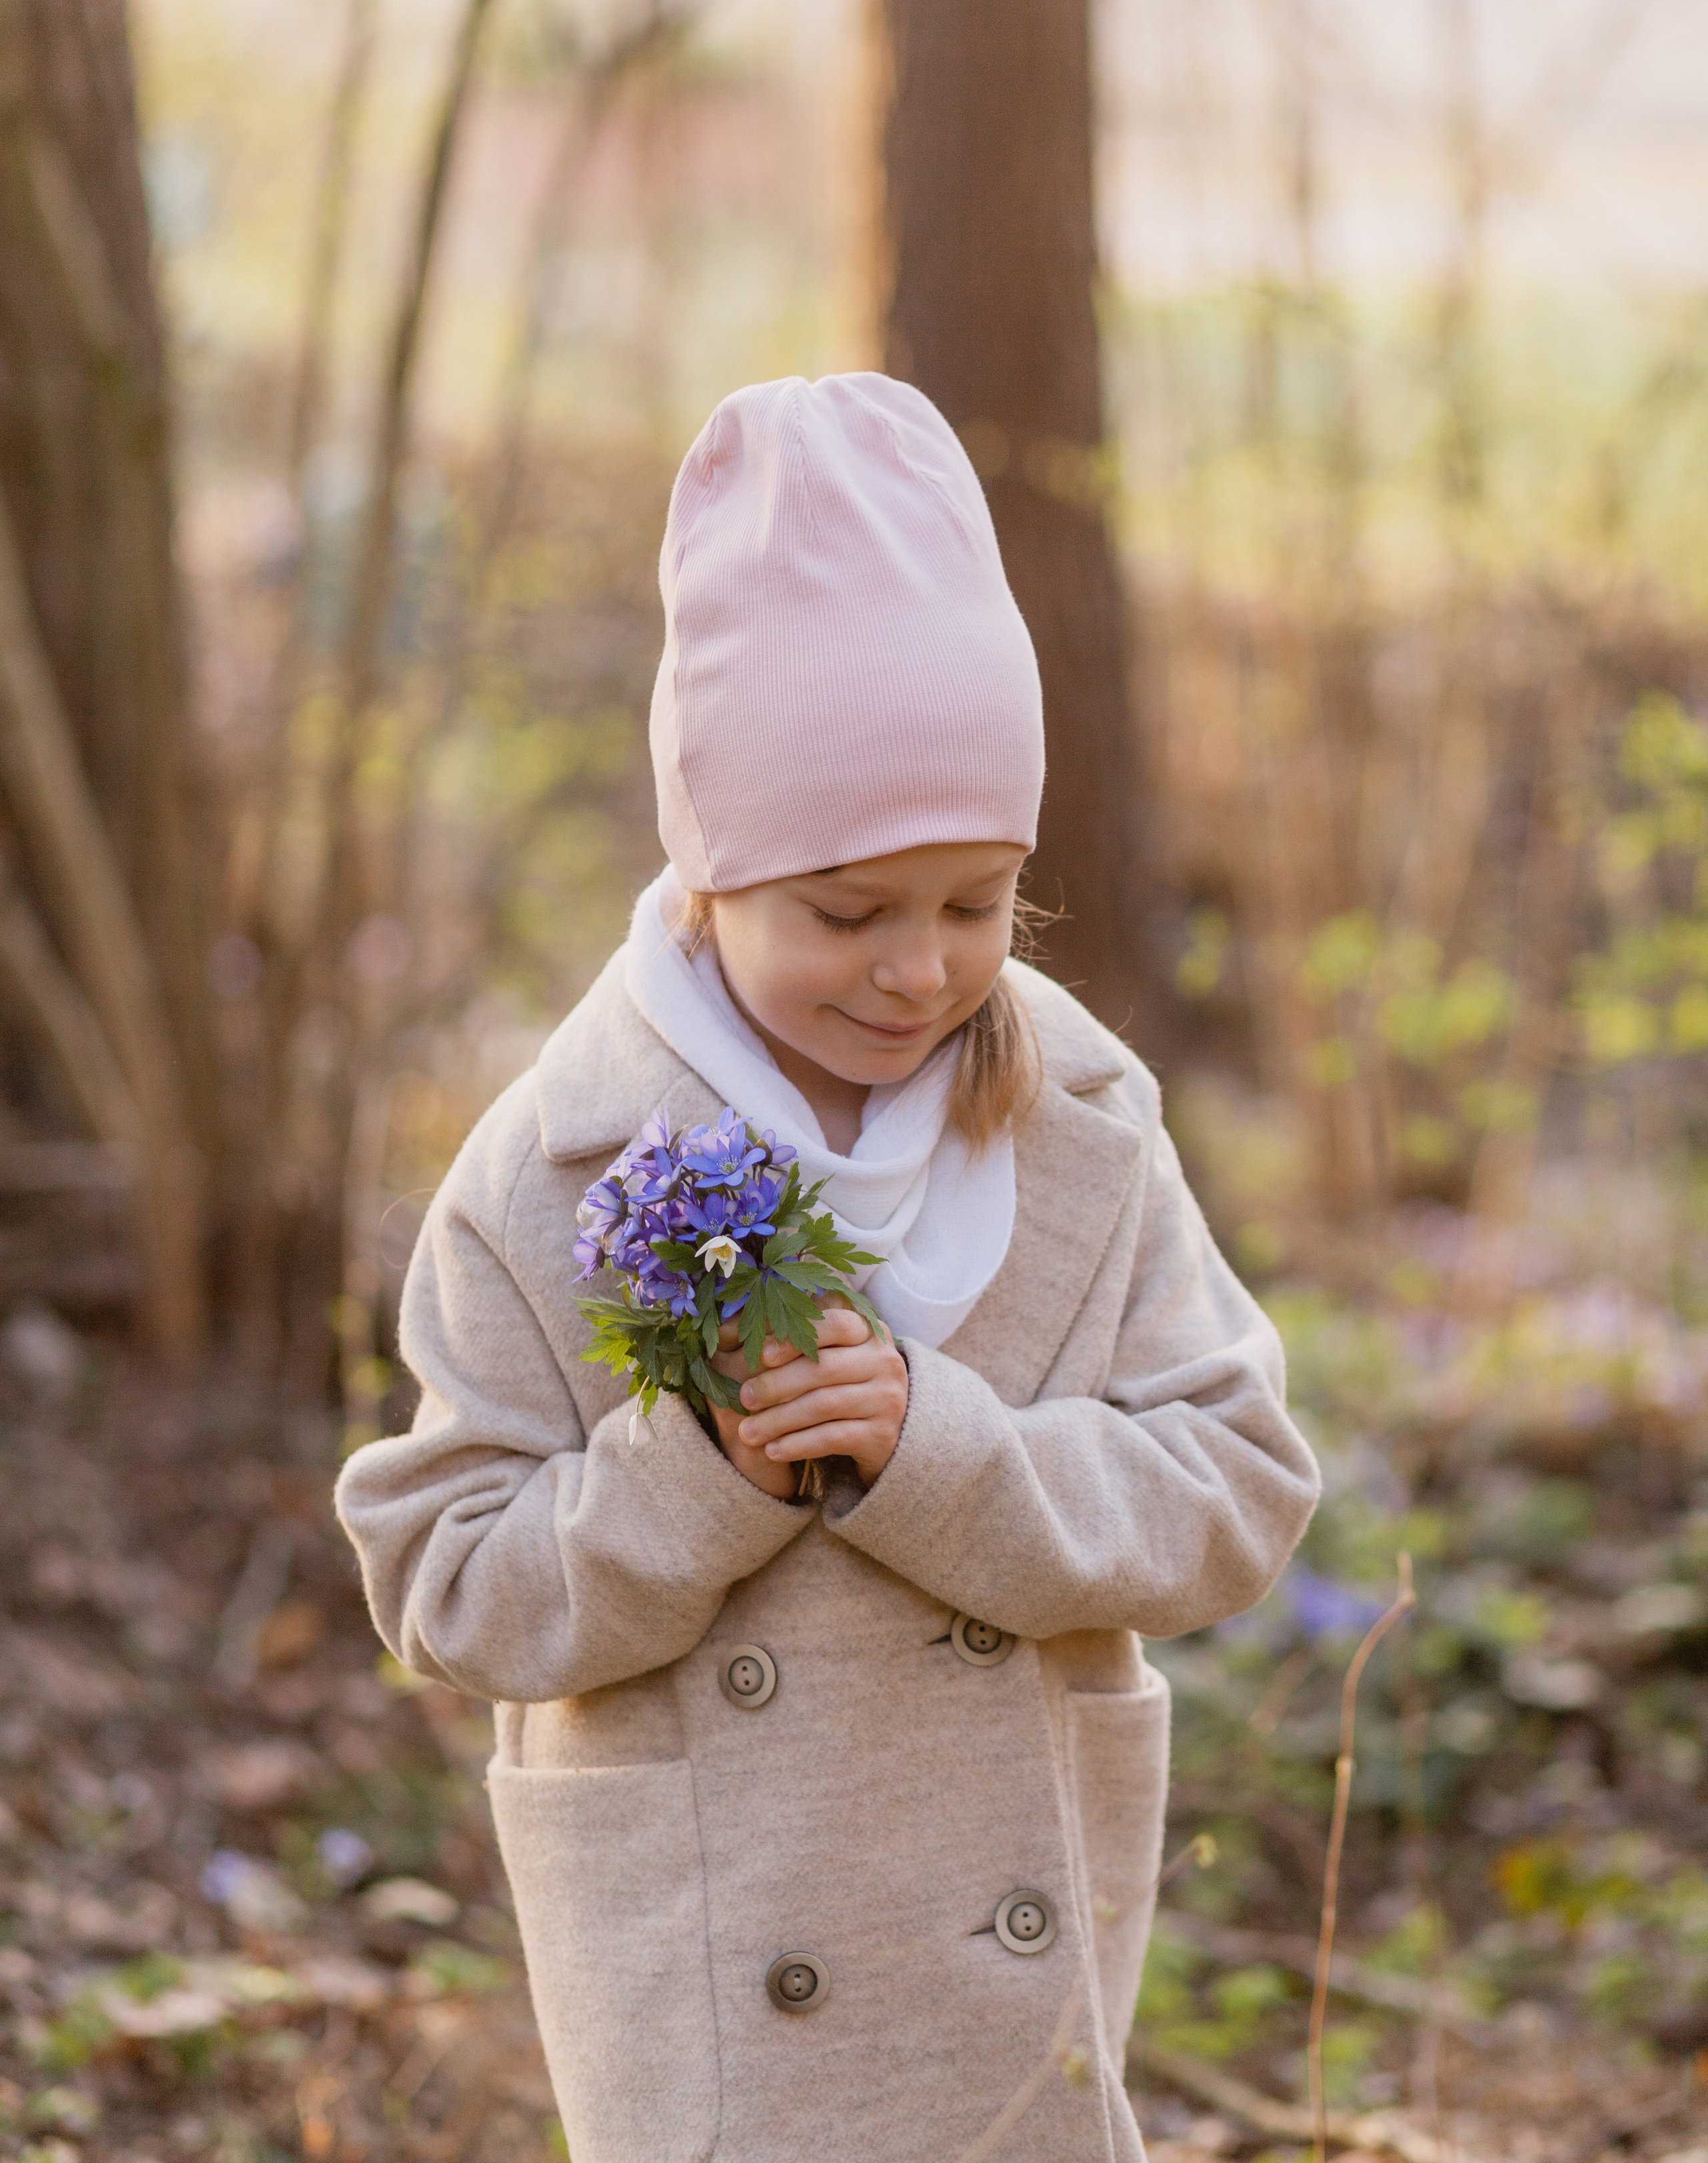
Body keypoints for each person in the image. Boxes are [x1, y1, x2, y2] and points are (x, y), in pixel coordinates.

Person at [336, 372, 1320, 2163]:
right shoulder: (553, 1171)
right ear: (708, 873)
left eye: (973, 903)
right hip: (716, 1970)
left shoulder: (1084, 1131)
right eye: (846, 912)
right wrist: (692, 1480)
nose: (917, 972)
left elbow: (1240, 1489)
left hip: (1004, 1969)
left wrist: (944, 1456)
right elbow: (444, 1585)